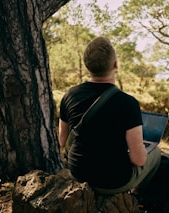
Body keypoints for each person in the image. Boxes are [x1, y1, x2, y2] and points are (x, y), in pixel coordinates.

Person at [58, 36, 161, 194]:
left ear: (87, 66)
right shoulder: (128, 103)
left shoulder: (69, 95)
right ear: (115, 64)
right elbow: (138, 160)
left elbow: (62, 140)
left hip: (78, 173)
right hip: (113, 181)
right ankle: (140, 195)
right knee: (156, 153)